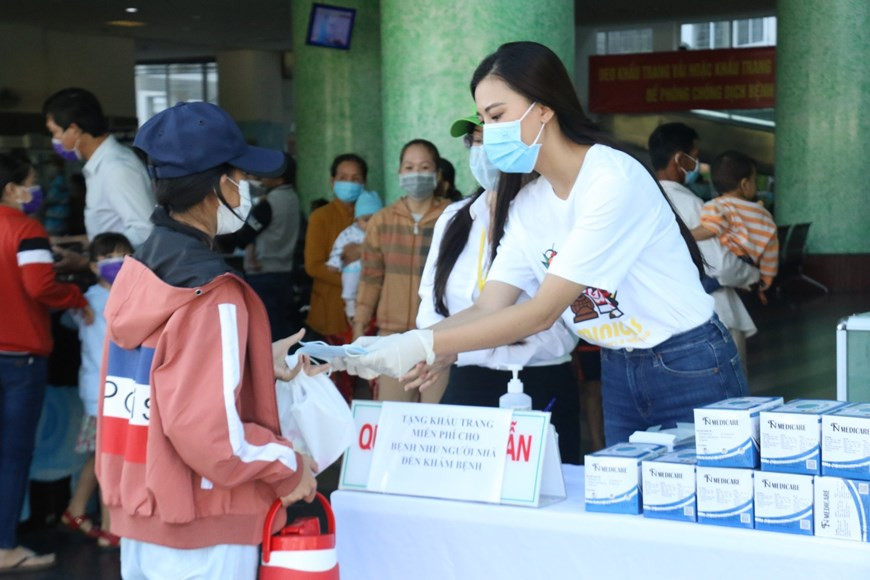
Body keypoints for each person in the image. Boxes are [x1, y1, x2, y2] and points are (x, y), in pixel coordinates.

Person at [336, 42, 749, 445]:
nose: (489, 133)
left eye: (497, 116)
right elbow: (488, 305)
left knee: (707, 501)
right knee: (634, 507)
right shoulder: (529, 203)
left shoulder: (609, 180)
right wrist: (420, 344)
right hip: (618, 363)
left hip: (688, 361)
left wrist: (425, 342)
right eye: (482, 119)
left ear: (545, 108)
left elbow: (542, 312)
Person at [98, 101, 317, 580]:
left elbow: (163, 386)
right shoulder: (212, 296)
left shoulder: (138, 272)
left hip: (145, 514)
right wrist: (289, 465)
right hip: (203, 524)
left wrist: (253, 362)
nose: (246, 190)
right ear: (220, 185)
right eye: (241, 177)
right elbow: (213, 437)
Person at [417, 115, 581, 463]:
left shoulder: (554, 216)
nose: (484, 151)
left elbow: (559, 319)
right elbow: (431, 305)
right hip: (467, 378)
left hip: (538, 379)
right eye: (476, 142)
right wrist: (419, 347)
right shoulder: (455, 218)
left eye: (493, 139)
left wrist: (457, 342)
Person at [0, 153, 92, 574]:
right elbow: (40, 285)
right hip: (19, 359)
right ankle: (5, 547)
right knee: (13, 455)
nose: (35, 190)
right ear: (10, 189)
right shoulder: (25, 228)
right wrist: (75, 298)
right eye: (31, 182)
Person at [649, 123, 758, 365]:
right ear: (679, 159)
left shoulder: (646, 200)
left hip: (666, 317)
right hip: (712, 314)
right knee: (727, 397)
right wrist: (751, 275)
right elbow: (722, 266)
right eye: (694, 158)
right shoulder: (691, 204)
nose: (695, 165)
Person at [354, 139, 450, 403]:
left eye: (424, 166)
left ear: (437, 174)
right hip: (392, 339)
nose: (415, 173)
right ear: (399, 173)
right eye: (408, 167)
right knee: (393, 423)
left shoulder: (453, 218)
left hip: (440, 337)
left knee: (436, 423)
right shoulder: (382, 220)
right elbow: (370, 278)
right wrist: (359, 326)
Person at [61, 232, 134, 550]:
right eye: (105, 259)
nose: (114, 264)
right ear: (91, 266)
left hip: (111, 390)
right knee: (111, 458)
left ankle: (76, 510)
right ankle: (110, 528)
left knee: (101, 454)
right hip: (105, 392)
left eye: (121, 256)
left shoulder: (89, 300)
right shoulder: (91, 301)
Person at [43, 88, 156, 269]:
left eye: (55, 132)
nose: (55, 140)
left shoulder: (117, 168)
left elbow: (145, 232)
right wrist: (63, 241)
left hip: (125, 278)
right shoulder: (100, 166)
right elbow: (109, 231)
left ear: (73, 129)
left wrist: (88, 262)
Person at [304, 153, 368, 400]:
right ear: (332, 182)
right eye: (343, 177)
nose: (349, 183)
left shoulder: (372, 216)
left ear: (363, 183)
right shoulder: (321, 217)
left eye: (355, 178)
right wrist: (354, 279)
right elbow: (314, 266)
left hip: (365, 312)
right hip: (329, 310)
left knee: (364, 379)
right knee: (332, 385)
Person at [219, 154, 302, 339]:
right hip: (285, 271)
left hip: (263, 273)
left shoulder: (269, 203)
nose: (262, 176)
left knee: (267, 332)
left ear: (279, 176)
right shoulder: (294, 198)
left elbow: (244, 237)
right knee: (282, 327)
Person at [692, 151, 779, 305]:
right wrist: (765, 281)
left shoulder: (717, 206)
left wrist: (685, 235)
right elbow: (770, 253)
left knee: (699, 290)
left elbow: (710, 230)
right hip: (750, 268)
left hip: (728, 265)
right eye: (755, 180)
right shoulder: (764, 214)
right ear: (745, 184)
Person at [327, 191, 383, 323]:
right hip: (353, 269)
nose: (370, 224)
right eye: (366, 220)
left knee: (372, 293)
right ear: (356, 219)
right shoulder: (348, 233)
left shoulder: (382, 233)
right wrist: (334, 262)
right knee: (350, 290)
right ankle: (351, 311)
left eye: (375, 220)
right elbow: (339, 247)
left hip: (373, 272)